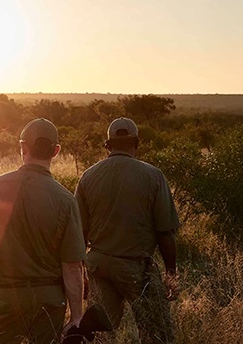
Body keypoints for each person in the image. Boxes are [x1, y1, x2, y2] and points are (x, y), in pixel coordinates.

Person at [0, 118, 86, 344]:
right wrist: (77, 315)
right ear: (55, 151)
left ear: (22, 148)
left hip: (8, 294)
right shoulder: (66, 200)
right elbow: (72, 266)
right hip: (50, 298)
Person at [74, 117, 180, 344]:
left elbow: (78, 235)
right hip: (136, 268)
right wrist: (171, 274)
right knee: (158, 333)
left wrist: (81, 273)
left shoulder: (88, 176)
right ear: (137, 143)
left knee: (100, 335)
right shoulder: (153, 176)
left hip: (98, 265)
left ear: (107, 145)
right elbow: (165, 233)